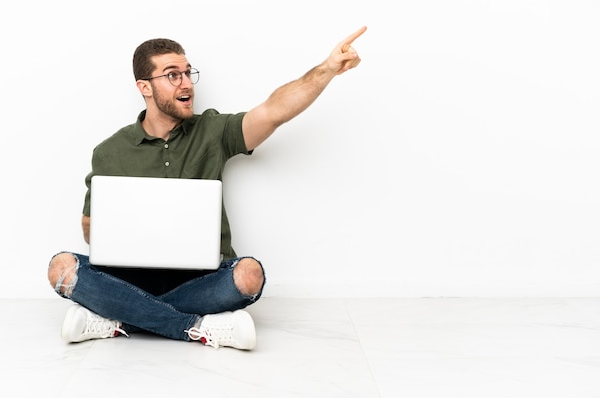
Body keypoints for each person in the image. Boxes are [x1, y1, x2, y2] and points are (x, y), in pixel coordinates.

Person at [47, 26, 366, 350]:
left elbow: (273, 112)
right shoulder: (110, 151)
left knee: (249, 275)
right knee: (61, 268)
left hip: (200, 279)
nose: (186, 83)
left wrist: (326, 69)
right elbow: (90, 231)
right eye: (173, 75)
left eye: (188, 73)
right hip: (132, 278)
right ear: (144, 86)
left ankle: (117, 317)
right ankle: (196, 327)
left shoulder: (212, 130)